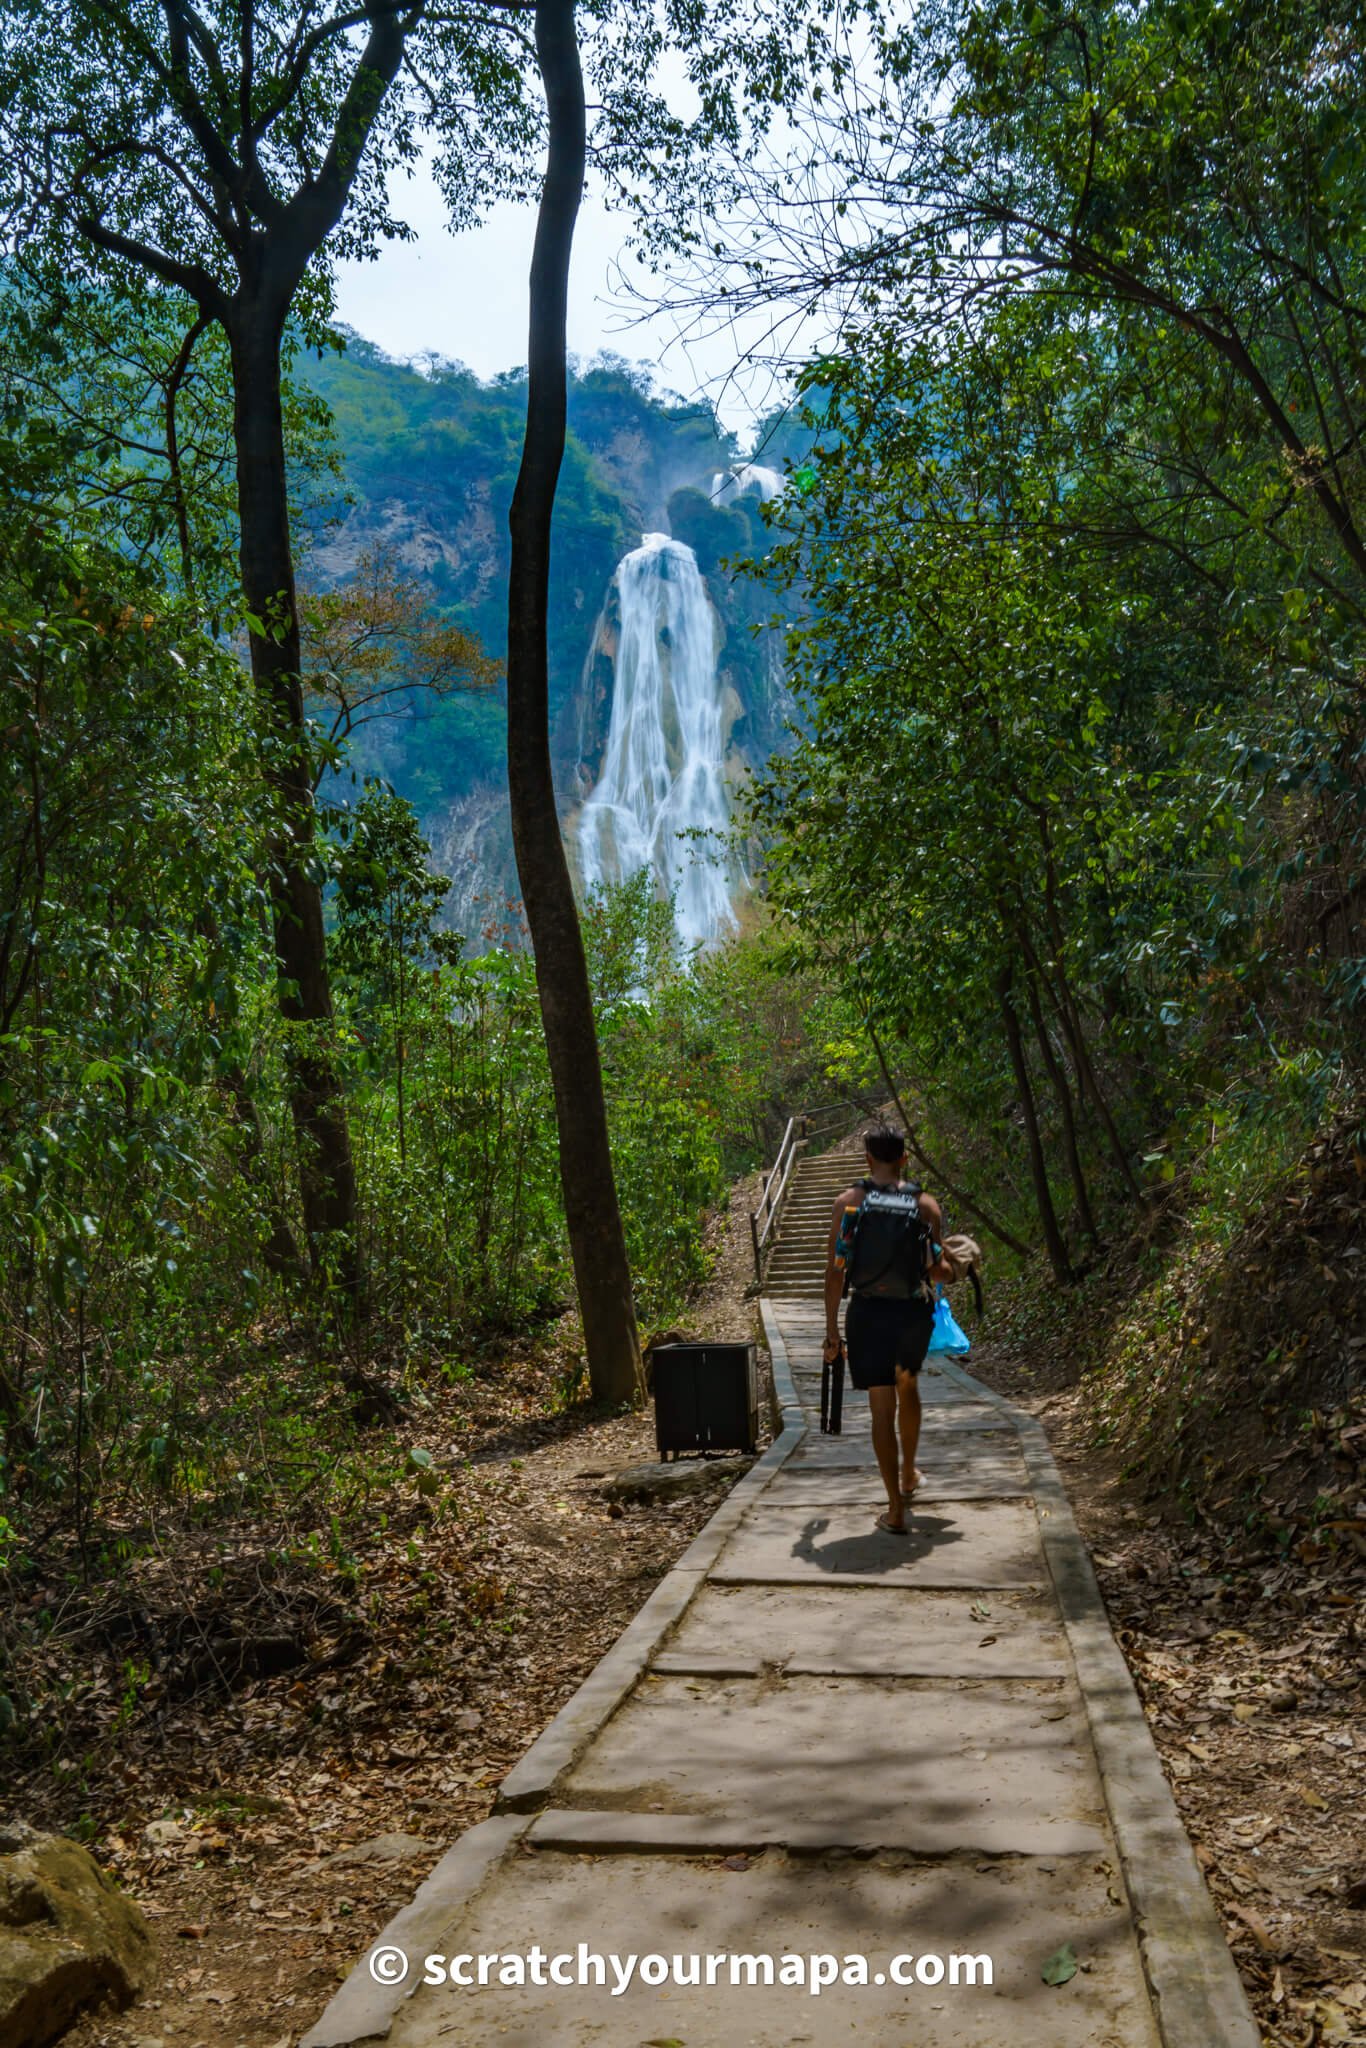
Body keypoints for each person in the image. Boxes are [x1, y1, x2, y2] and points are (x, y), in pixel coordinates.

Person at [822, 1123, 951, 1535]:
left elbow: (835, 1272)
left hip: (867, 1313)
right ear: (903, 1159)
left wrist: (830, 1333)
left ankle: (895, 1508)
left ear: (867, 1160)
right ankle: (909, 1472)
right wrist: (963, 1262)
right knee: (908, 1385)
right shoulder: (925, 1206)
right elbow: (938, 1268)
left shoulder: (849, 1204)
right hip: (911, 1312)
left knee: (882, 1409)